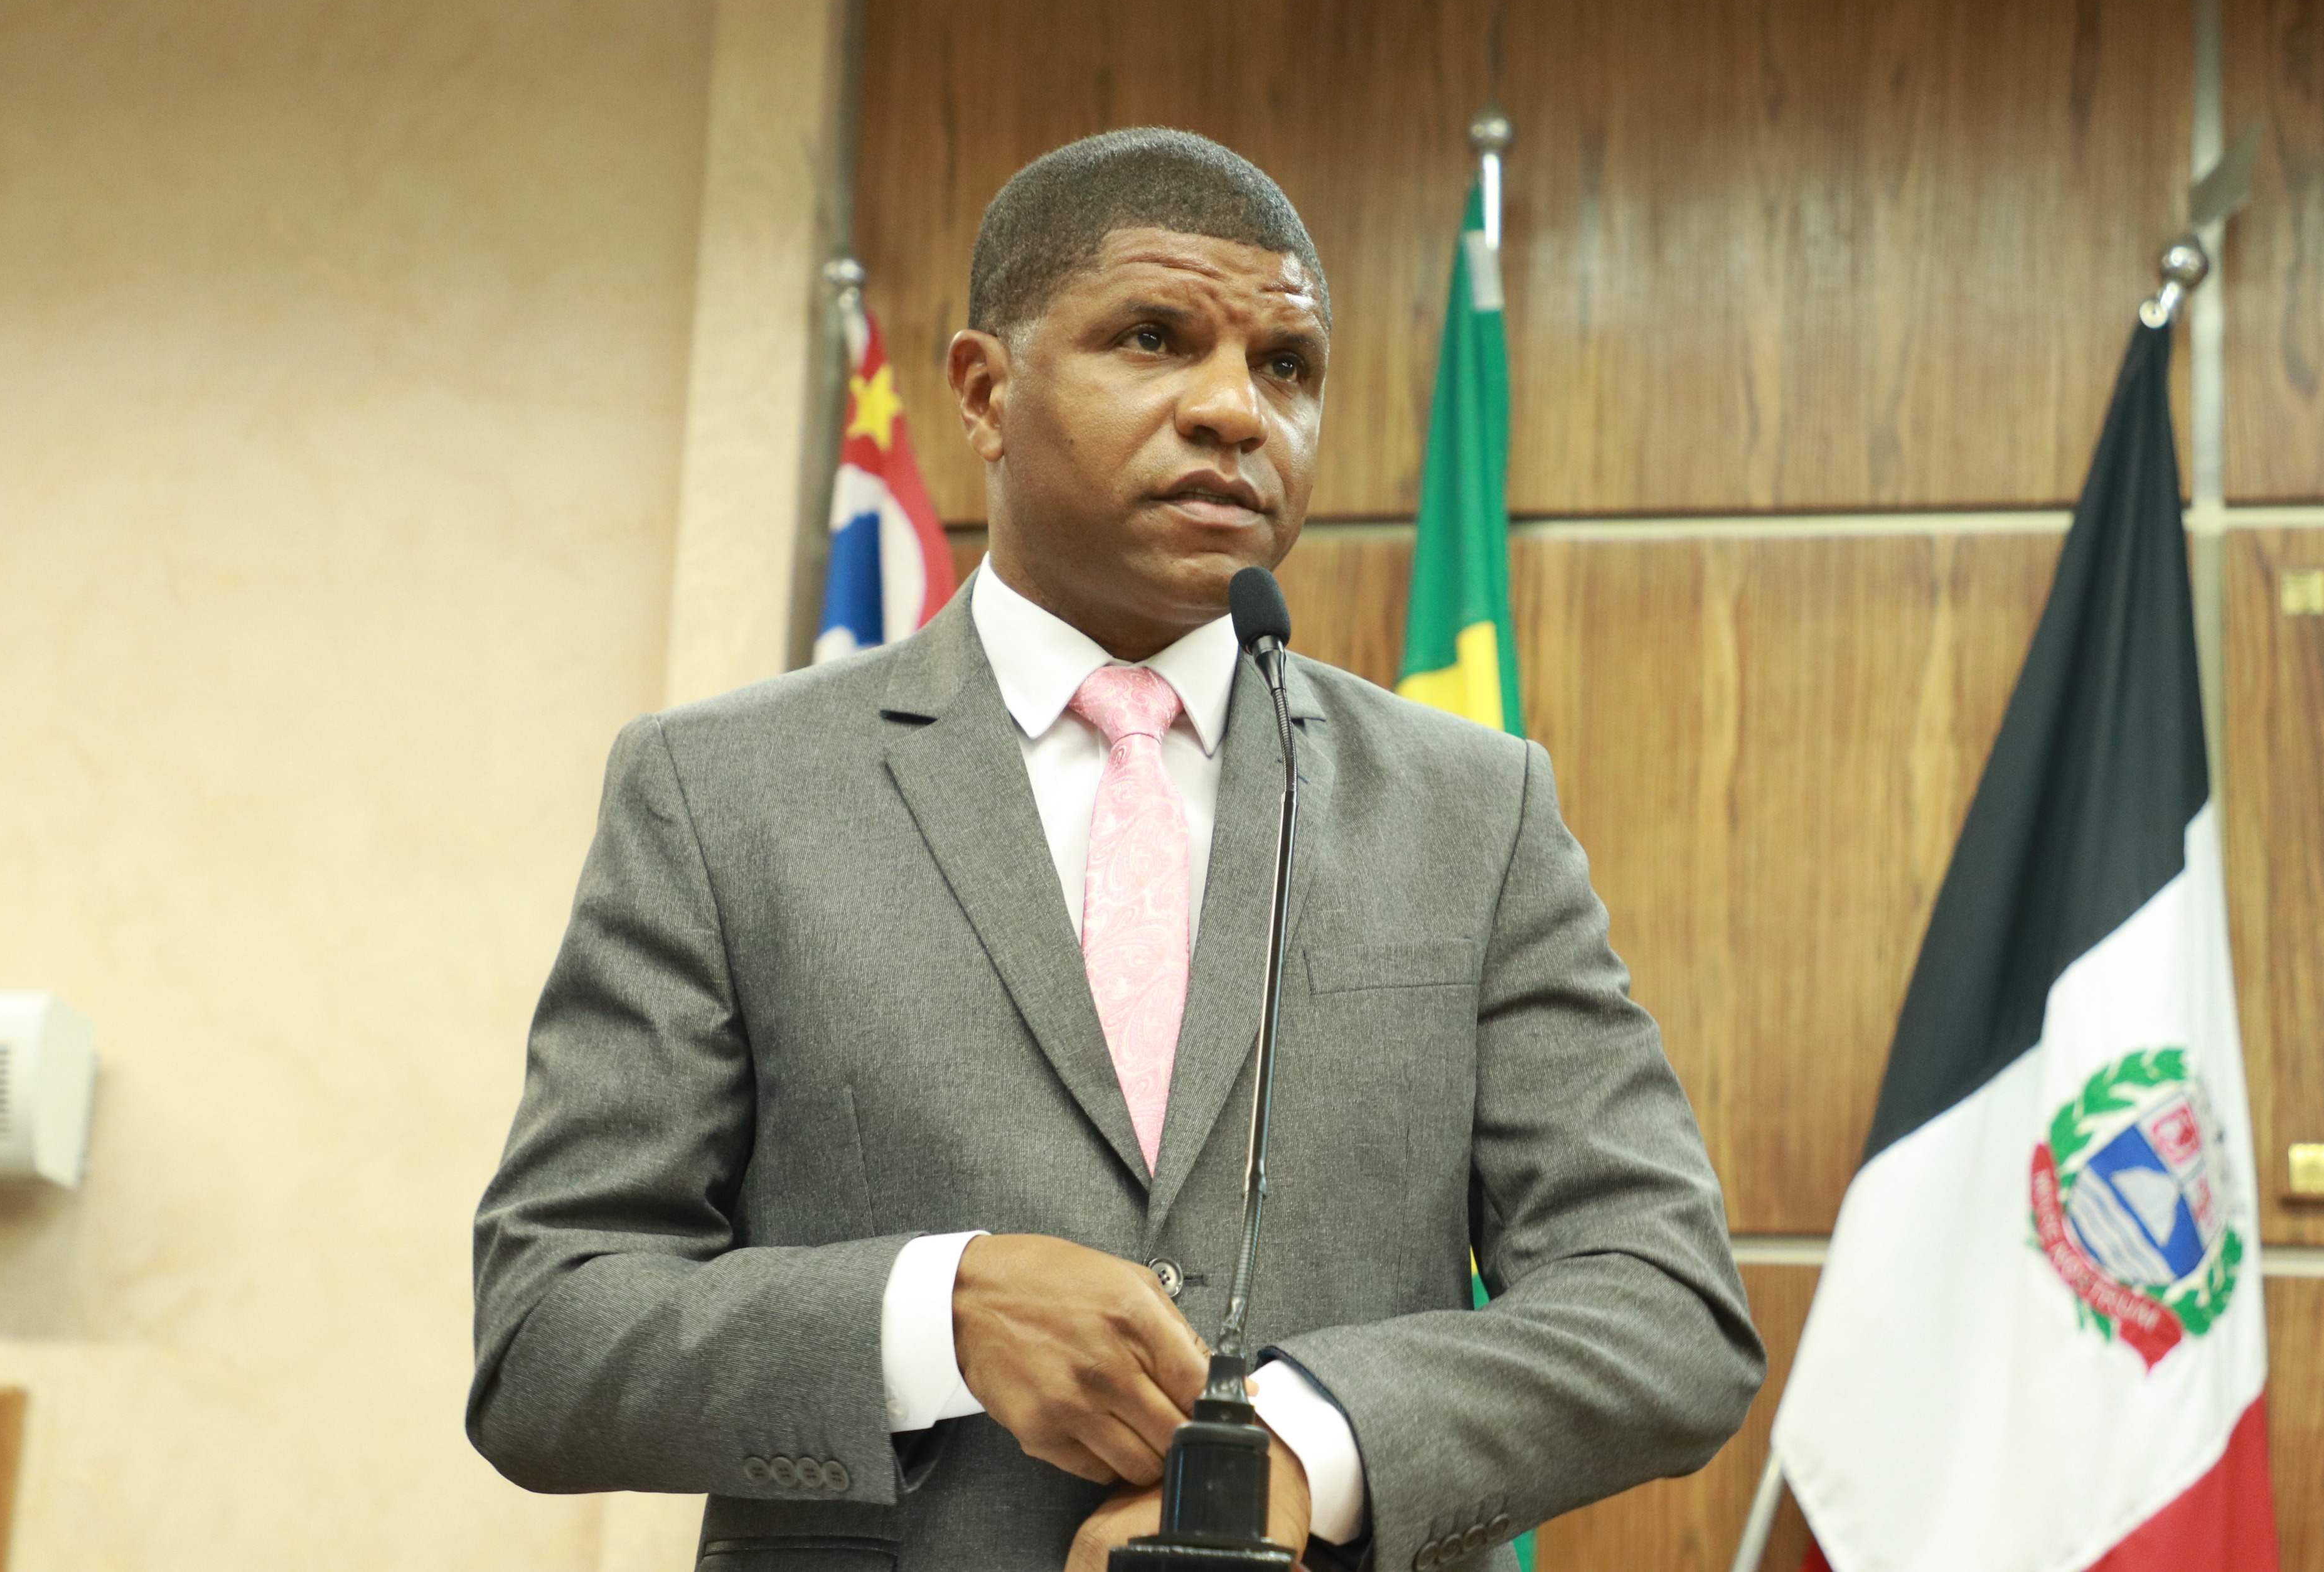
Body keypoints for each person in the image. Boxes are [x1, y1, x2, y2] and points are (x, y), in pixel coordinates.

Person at [469, 128, 1762, 1572]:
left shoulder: (1471, 808)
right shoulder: (721, 792)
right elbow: (547, 1329)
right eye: (1154, 338)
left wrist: (1302, 1451)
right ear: (985, 390)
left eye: (1286, 366)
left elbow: (1664, 1305)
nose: (1234, 410)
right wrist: (937, 1312)